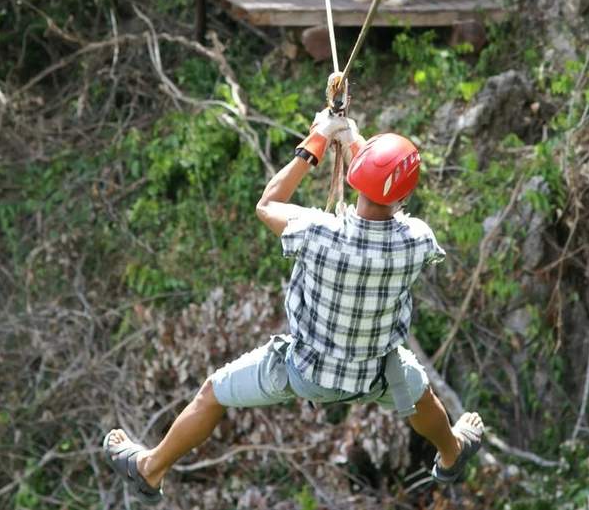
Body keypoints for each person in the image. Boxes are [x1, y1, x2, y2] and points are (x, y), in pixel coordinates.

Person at [103, 109, 486, 503]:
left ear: (357, 176)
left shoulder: (318, 232)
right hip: (374, 375)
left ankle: (150, 469)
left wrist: (317, 141)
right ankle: (451, 453)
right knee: (420, 395)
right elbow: (386, 197)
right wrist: (351, 139)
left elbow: (268, 203)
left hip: (304, 372)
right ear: (404, 196)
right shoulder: (418, 240)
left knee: (212, 394)